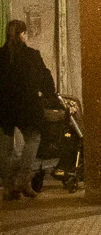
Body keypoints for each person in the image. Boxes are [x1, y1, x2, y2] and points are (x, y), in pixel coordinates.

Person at [0, 21, 56, 200]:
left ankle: (8, 187)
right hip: (27, 106)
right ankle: (24, 180)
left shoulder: (1, 56)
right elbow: (45, 77)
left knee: (6, 147)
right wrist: (50, 95)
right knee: (33, 139)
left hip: (5, 107)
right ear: (23, 34)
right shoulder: (32, 55)